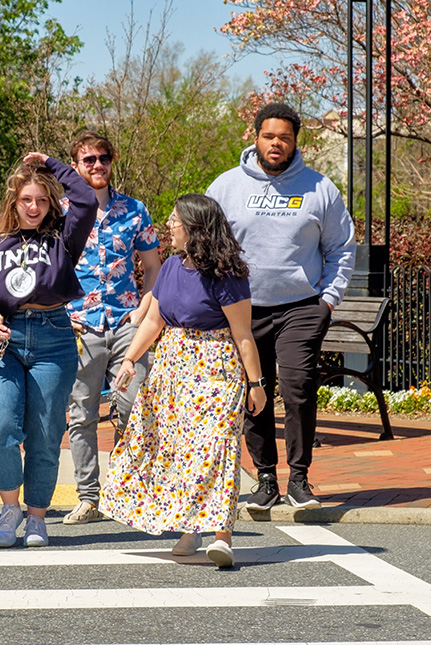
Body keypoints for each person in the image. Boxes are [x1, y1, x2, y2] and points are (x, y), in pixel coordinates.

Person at [100, 194, 265, 569]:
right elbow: (154, 322)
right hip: (173, 369)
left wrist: (257, 384)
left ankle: (222, 534)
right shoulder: (172, 267)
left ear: (195, 228)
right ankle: (190, 527)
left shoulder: (227, 274)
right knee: (176, 452)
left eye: (175, 221)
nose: (168, 226)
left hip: (216, 370)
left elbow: (243, 335)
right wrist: (128, 361)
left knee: (216, 448)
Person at [205, 102, 355, 510]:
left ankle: (300, 479)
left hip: (302, 307)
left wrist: (328, 299)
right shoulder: (226, 187)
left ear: (295, 142)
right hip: (243, 309)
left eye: (285, 138)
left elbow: (341, 247)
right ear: (255, 137)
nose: (276, 144)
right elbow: (204, 243)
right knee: (255, 390)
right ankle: (266, 479)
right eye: (269, 136)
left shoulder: (319, 188)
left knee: (298, 387)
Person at [0, 153, 98, 548]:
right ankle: (9, 508)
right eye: (26, 200)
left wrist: (53, 164)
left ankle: (36, 517)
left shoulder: (62, 239)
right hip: (2, 339)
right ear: (13, 202)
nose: (34, 208)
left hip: (54, 337)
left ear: (51, 203)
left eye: (41, 200)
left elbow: (85, 199)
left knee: (46, 433)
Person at [62, 131, 162, 526]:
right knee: (81, 413)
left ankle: (125, 489)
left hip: (125, 324)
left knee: (133, 406)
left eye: (104, 157)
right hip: (78, 325)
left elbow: (153, 265)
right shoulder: (61, 210)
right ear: (75, 165)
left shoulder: (134, 210)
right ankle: (89, 496)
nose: (98, 165)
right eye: (89, 159)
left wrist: (143, 311)